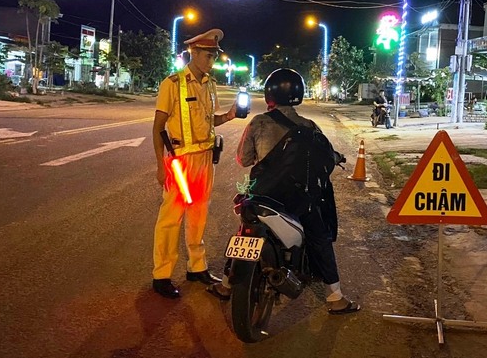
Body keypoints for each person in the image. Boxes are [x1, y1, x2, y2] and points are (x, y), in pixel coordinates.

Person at [209, 68, 361, 315]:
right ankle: (335, 297)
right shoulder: (309, 126)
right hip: (298, 202)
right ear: (299, 94)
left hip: (261, 196)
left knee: (243, 230)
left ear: (270, 95)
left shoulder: (258, 122)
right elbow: (326, 157)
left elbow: (243, 160)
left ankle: (226, 285)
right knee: (319, 236)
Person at [151, 28, 237, 299]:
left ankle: (196, 267)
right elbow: (158, 127)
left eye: (215, 54)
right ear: (194, 53)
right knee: (171, 218)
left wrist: (230, 116)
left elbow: (209, 121)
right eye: (208, 54)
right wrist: (159, 164)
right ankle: (161, 275)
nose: (213, 59)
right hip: (179, 160)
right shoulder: (173, 84)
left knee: (199, 214)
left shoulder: (210, 84)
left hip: (205, 159)